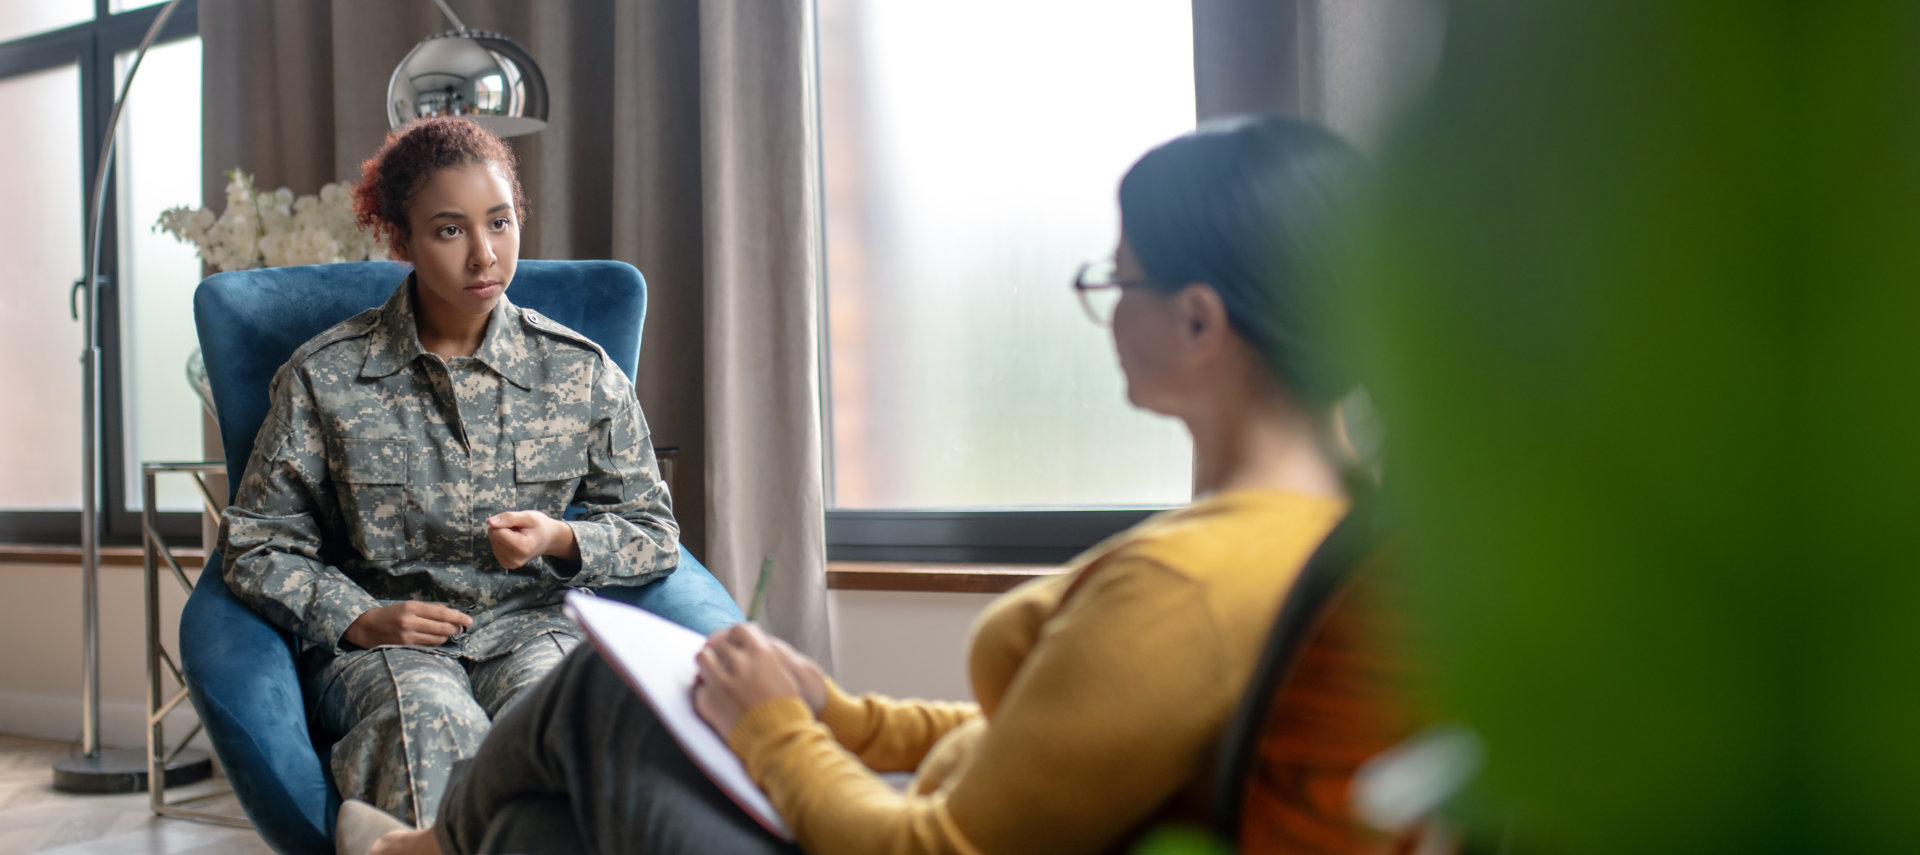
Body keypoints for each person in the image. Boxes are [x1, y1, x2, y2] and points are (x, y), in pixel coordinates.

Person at [344, 114, 1368, 855]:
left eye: (1118, 278)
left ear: (1198, 322)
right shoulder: (1328, 540)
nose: (1100, 303)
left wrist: (774, 731)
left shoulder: (1183, 590)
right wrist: (839, 714)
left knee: (603, 685)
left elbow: (933, 845)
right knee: (531, 828)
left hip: (883, 836)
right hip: (891, 792)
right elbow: (1061, 742)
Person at [218, 116, 680, 826]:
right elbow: (256, 542)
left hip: (534, 630)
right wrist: (360, 617)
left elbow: (653, 530)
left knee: (565, 726)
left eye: (499, 223)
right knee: (430, 727)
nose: (484, 256)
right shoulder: (325, 377)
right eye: (449, 230)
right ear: (400, 240)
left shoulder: (581, 372)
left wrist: (559, 538)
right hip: (390, 650)